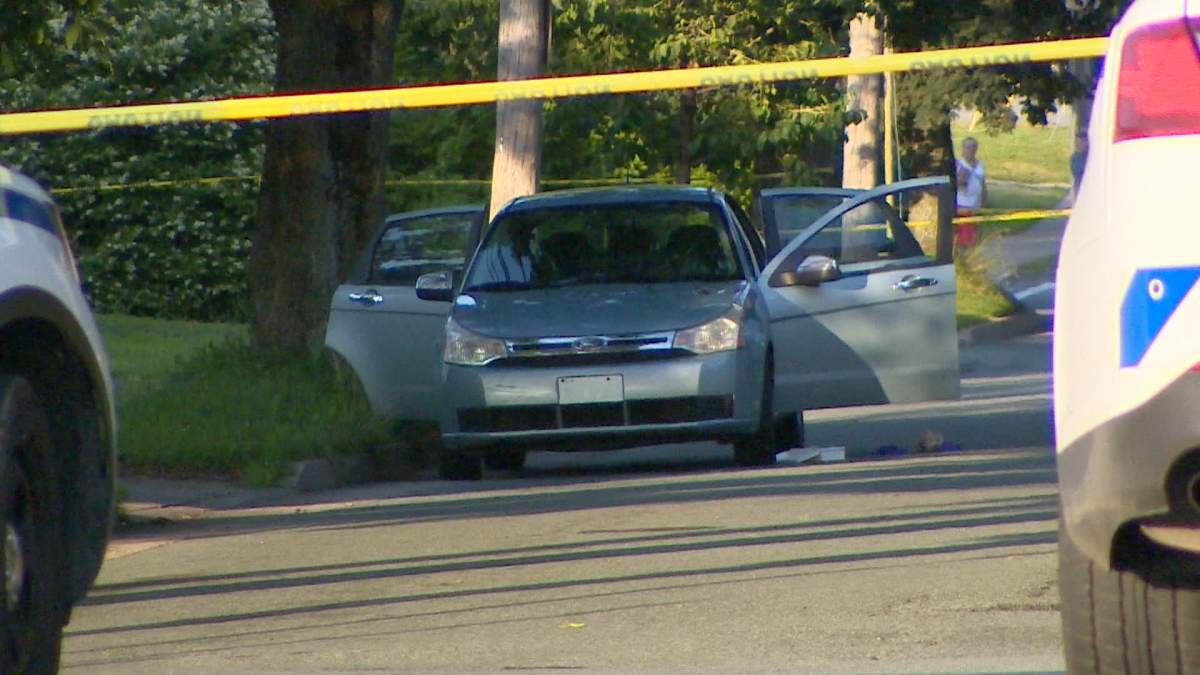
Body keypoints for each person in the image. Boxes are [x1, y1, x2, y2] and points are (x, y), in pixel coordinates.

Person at [954, 137, 987, 249]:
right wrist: (960, 180)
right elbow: (954, 185)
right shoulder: (958, 164)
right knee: (961, 238)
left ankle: (972, 256)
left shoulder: (980, 165)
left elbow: (983, 185)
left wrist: (984, 203)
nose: (970, 150)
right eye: (967, 147)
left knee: (975, 237)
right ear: (963, 149)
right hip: (961, 207)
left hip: (976, 207)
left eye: (973, 147)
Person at [1069, 130, 1089, 203]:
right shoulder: (1075, 158)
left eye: (1085, 141)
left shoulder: (1094, 156)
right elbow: (1079, 174)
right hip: (1081, 188)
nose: (1084, 144)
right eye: (1081, 142)